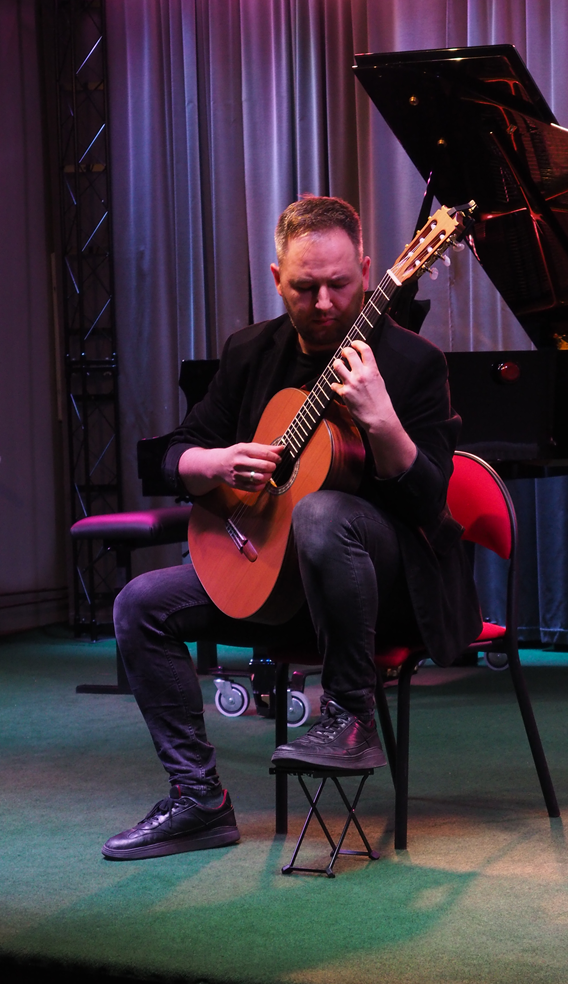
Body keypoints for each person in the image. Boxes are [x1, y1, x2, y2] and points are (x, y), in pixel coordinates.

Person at [103, 196, 481, 860]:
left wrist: (383, 421)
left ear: (368, 271)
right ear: (277, 278)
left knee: (321, 512)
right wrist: (212, 462)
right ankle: (199, 800)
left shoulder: (412, 364)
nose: (326, 302)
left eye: (340, 283)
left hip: (384, 592)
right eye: (305, 287)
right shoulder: (250, 352)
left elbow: (431, 507)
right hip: (279, 582)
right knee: (140, 604)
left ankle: (350, 717)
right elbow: (169, 454)